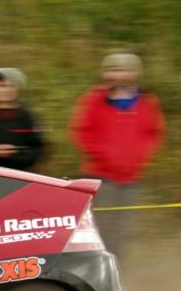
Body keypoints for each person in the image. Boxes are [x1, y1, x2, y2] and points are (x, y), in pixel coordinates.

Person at [70, 53, 164, 261]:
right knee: (99, 227)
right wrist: (104, 156)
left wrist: (140, 158)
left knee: (122, 228)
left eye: (123, 69)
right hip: (101, 175)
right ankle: (93, 270)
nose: (118, 75)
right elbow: (81, 131)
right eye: (113, 69)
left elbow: (153, 133)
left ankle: (116, 271)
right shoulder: (94, 99)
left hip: (132, 178)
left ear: (134, 73)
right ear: (105, 73)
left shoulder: (147, 101)